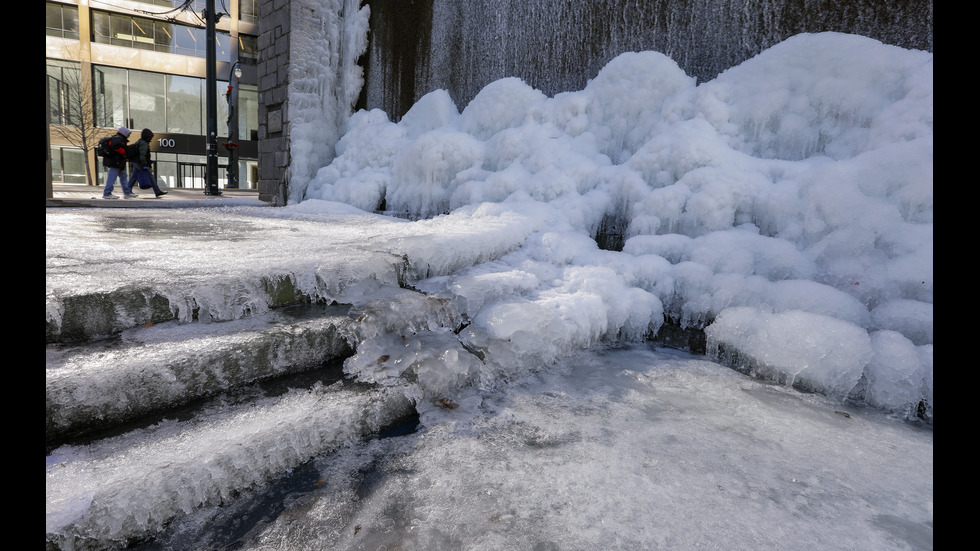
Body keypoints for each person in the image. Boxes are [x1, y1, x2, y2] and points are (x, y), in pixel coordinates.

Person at [126, 128, 168, 197]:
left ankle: (128, 191)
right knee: (150, 177)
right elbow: (143, 155)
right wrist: (145, 165)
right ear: (147, 136)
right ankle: (157, 191)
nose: (151, 139)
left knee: (134, 176)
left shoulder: (140, 142)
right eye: (150, 137)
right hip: (140, 163)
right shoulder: (144, 143)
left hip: (137, 162)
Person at [101, 127, 135, 199]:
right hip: (116, 162)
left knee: (123, 176)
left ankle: (127, 192)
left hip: (117, 162)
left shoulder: (118, 138)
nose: (128, 135)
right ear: (124, 133)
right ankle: (107, 193)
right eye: (128, 133)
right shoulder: (118, 139)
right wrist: (124, 153)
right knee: (112, 177)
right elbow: (116, 148)